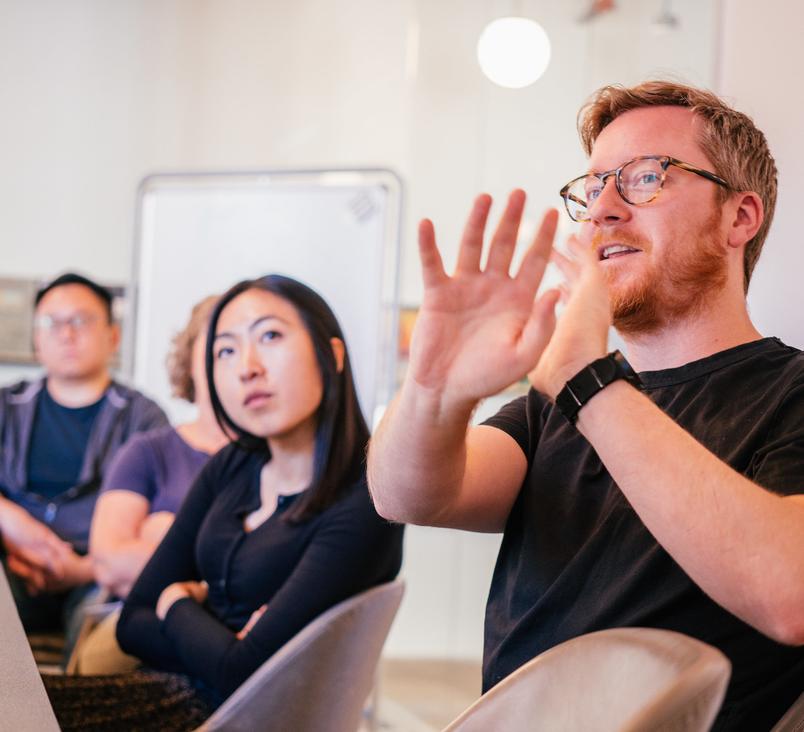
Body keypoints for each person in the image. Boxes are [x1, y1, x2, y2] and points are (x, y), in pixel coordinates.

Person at [367, 80, 804, 730]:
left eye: (645, 177)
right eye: (593, 186)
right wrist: (434, 387)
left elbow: (788, 592)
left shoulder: (788, 393)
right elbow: (407, 496)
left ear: (739, 217)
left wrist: (585, 380)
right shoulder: (554, 407)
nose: (601, 209)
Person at [43, 274, 403, 730]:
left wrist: (176, 602)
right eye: (225, 351)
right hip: (173, 690)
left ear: (330, 355)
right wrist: (218, 640)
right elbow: (133, 622)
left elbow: (244, 674)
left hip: (241, 718)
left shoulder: (366, 499)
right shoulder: (233, 466)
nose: (246, 367)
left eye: (270, 336)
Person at [0, 272, 166, 651]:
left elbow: (159, 524)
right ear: (36, 339)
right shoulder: (6, 406)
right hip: (12, 563)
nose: (66, 333)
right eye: (51, 322)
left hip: (98, 573)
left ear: (113, 335)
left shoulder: (144, 419)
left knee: (115, 613)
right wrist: (15, 525)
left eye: (81, 320)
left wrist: (86, 568)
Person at [72, 295, 227, 674]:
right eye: (221, 347)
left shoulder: (275, 460)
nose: (238, 363)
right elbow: (109, 561)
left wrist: (165, 536)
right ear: (189, 359)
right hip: (139, 621)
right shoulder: (149, 451)